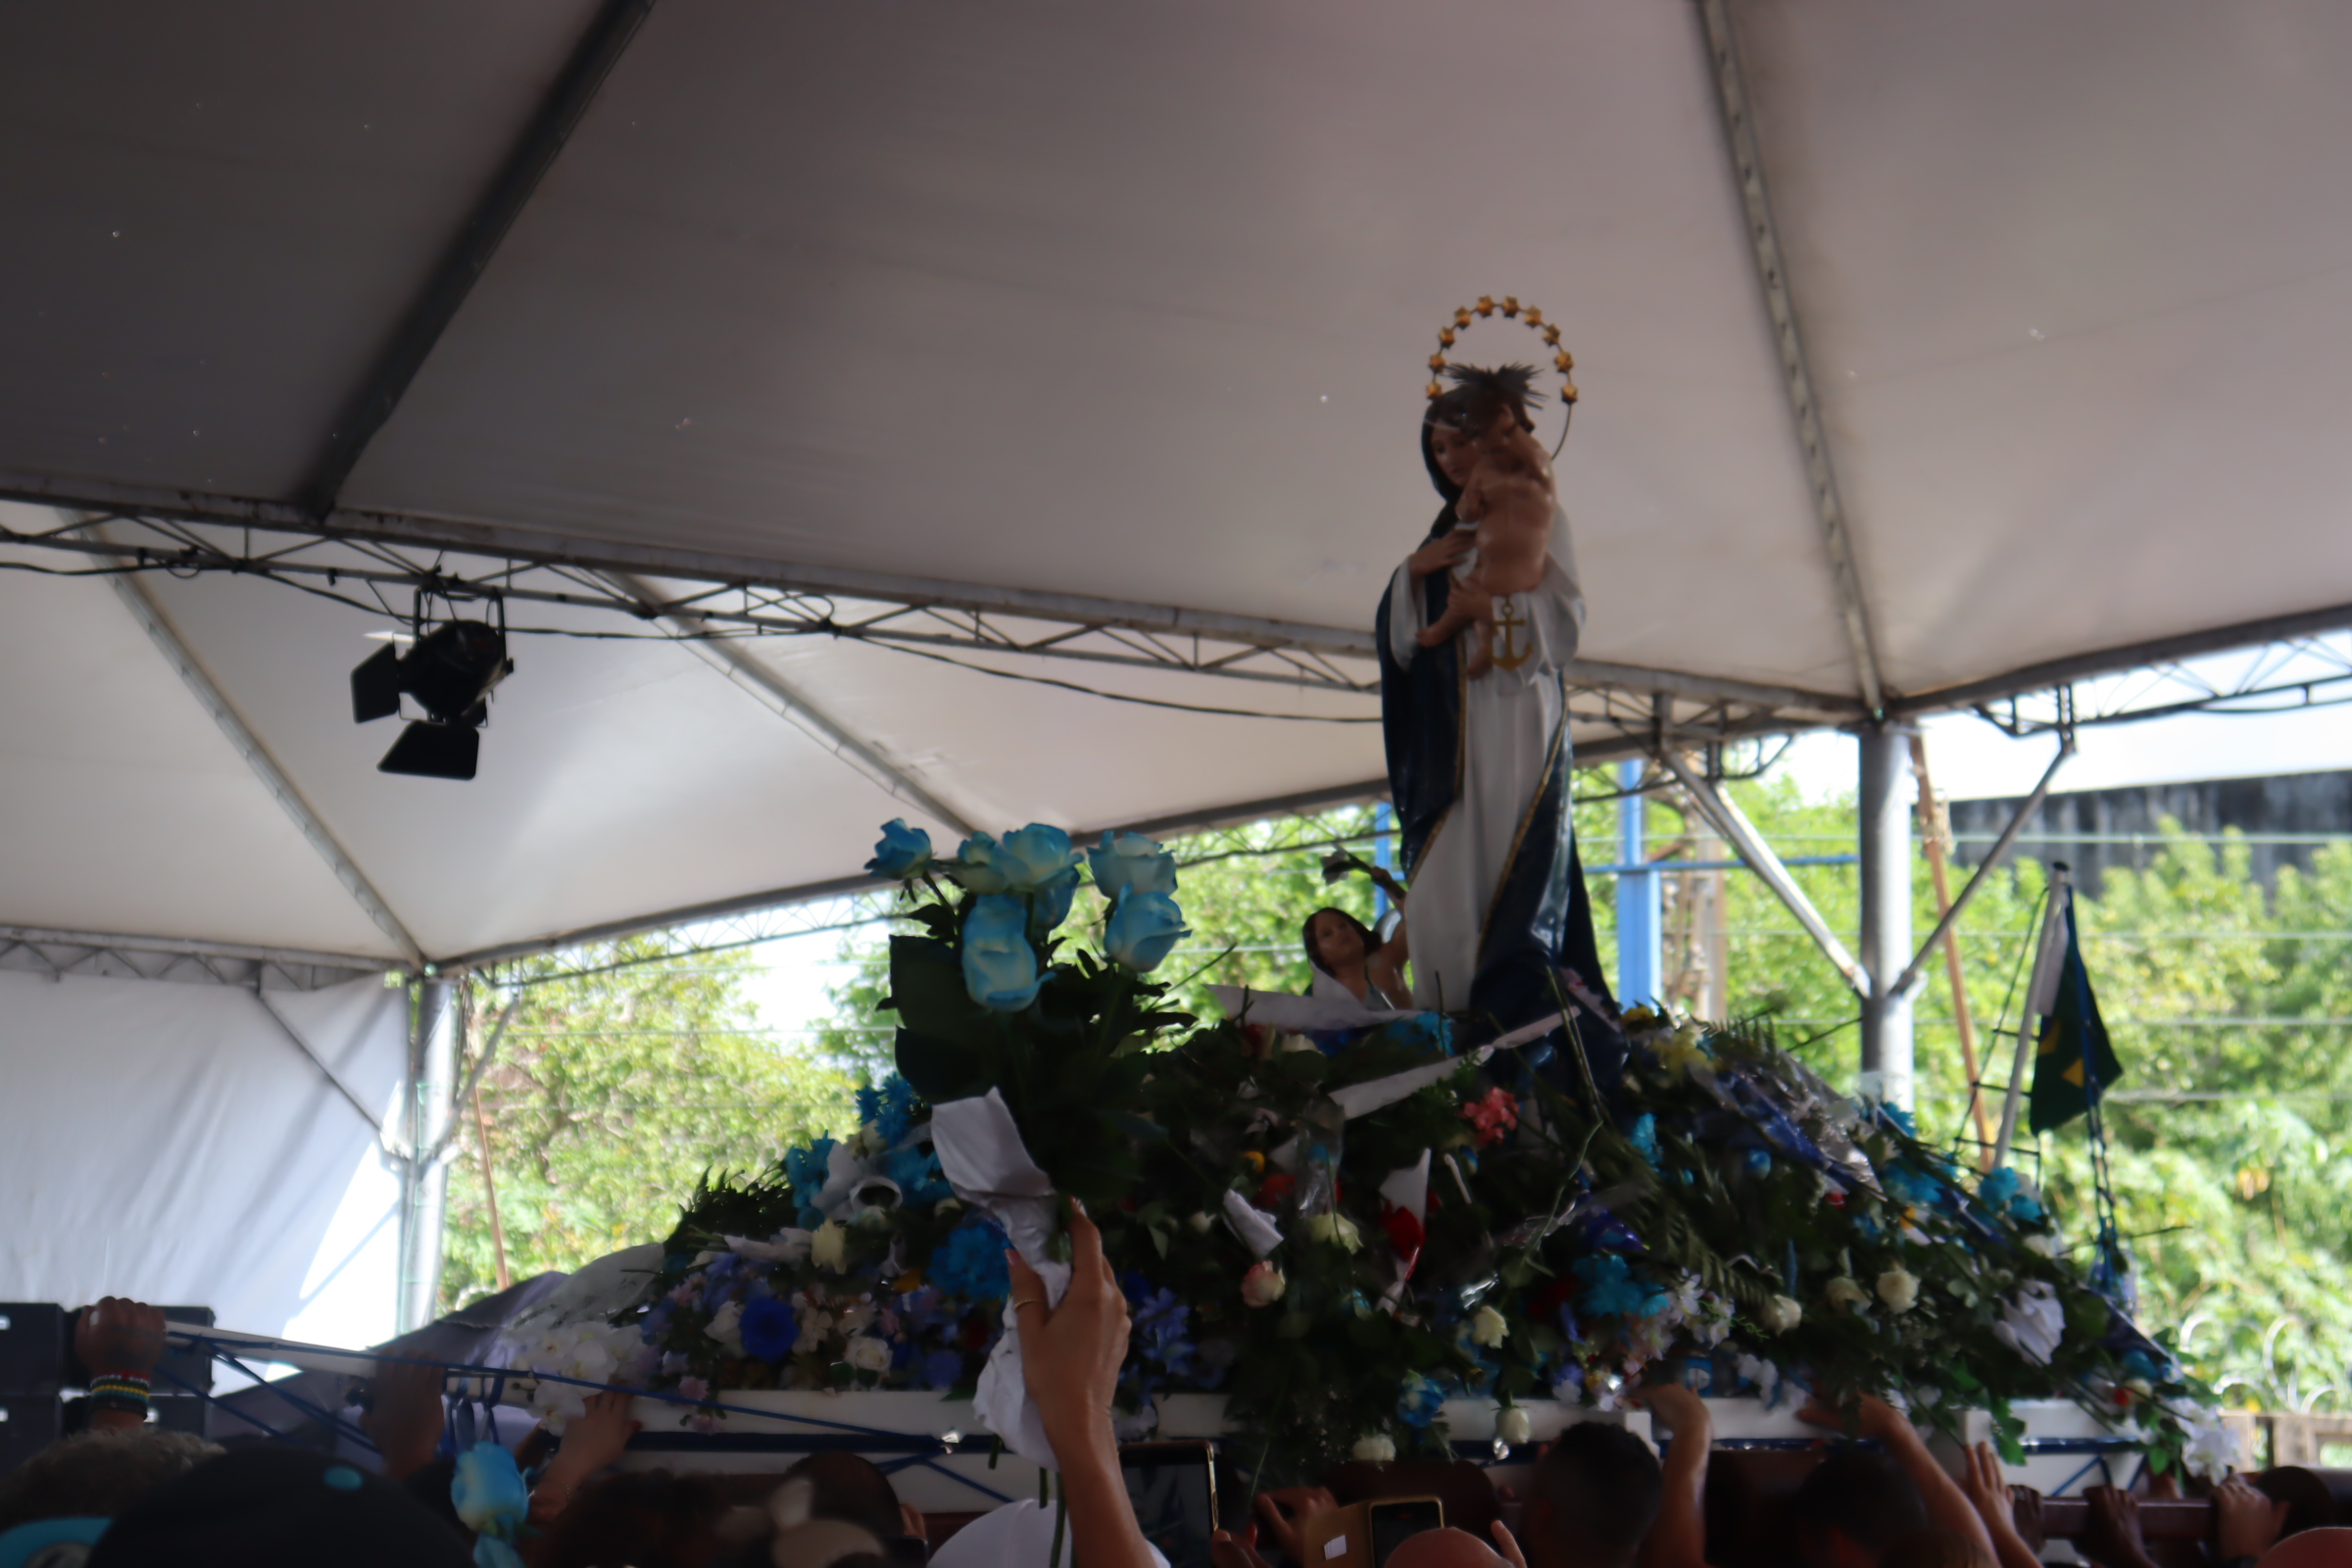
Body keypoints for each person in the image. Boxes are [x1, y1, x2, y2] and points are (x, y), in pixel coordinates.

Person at [1374, 366, 1620, 1078]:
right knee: (1446, 879)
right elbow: (1400, 647)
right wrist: (1413, 575)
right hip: (1448, 730)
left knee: (1511, 861)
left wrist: (1494, 614)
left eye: (1463, 444)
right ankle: (1446, 1025)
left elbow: (1563, 624)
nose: (1453, 461)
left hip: (1514, 711)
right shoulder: (1441, 535)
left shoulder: (1542, 512)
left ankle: (1510, 1023)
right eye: (1440, 449)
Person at [1303, 907, 1407, 1009]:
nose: (1339, 932)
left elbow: (1415, 924)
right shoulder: (1317, 994)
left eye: (1343, 925)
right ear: (1318, 954)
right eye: (1327, 934)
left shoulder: (1385, 956)